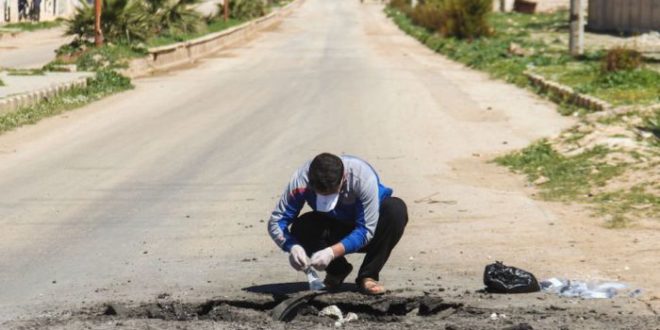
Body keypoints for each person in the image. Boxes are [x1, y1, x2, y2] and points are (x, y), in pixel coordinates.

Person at [267, 153, 408, 295]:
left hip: (370, 228)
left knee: (395, 210)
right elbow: (277, 221)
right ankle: (337, 272)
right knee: (302, 226)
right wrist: (292, 246)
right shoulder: (301, 181)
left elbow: (365, 230)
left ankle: (368, 275)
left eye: (332, 194)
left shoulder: (362, 178)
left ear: (344, 178)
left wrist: (331, 252)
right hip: (333, 225)